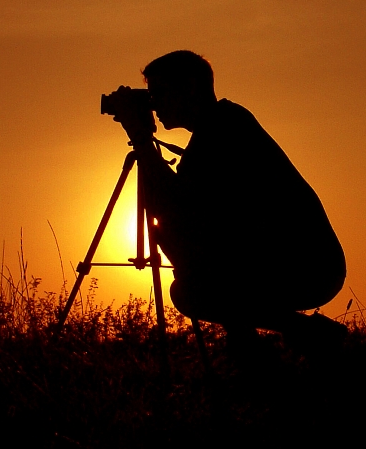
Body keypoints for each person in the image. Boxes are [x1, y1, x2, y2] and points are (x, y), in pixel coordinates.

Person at [111, 50, 346, 346]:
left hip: (306, 266)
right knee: (189, 263)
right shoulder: (222, 123)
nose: (153, 103)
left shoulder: (224, 130)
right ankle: (256, 350)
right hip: (292, 260)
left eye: (159, 92)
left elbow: (175, 207)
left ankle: (305, 336)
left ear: (190, 87)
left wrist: (143, 140)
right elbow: (177, 211)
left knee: (191, 292)